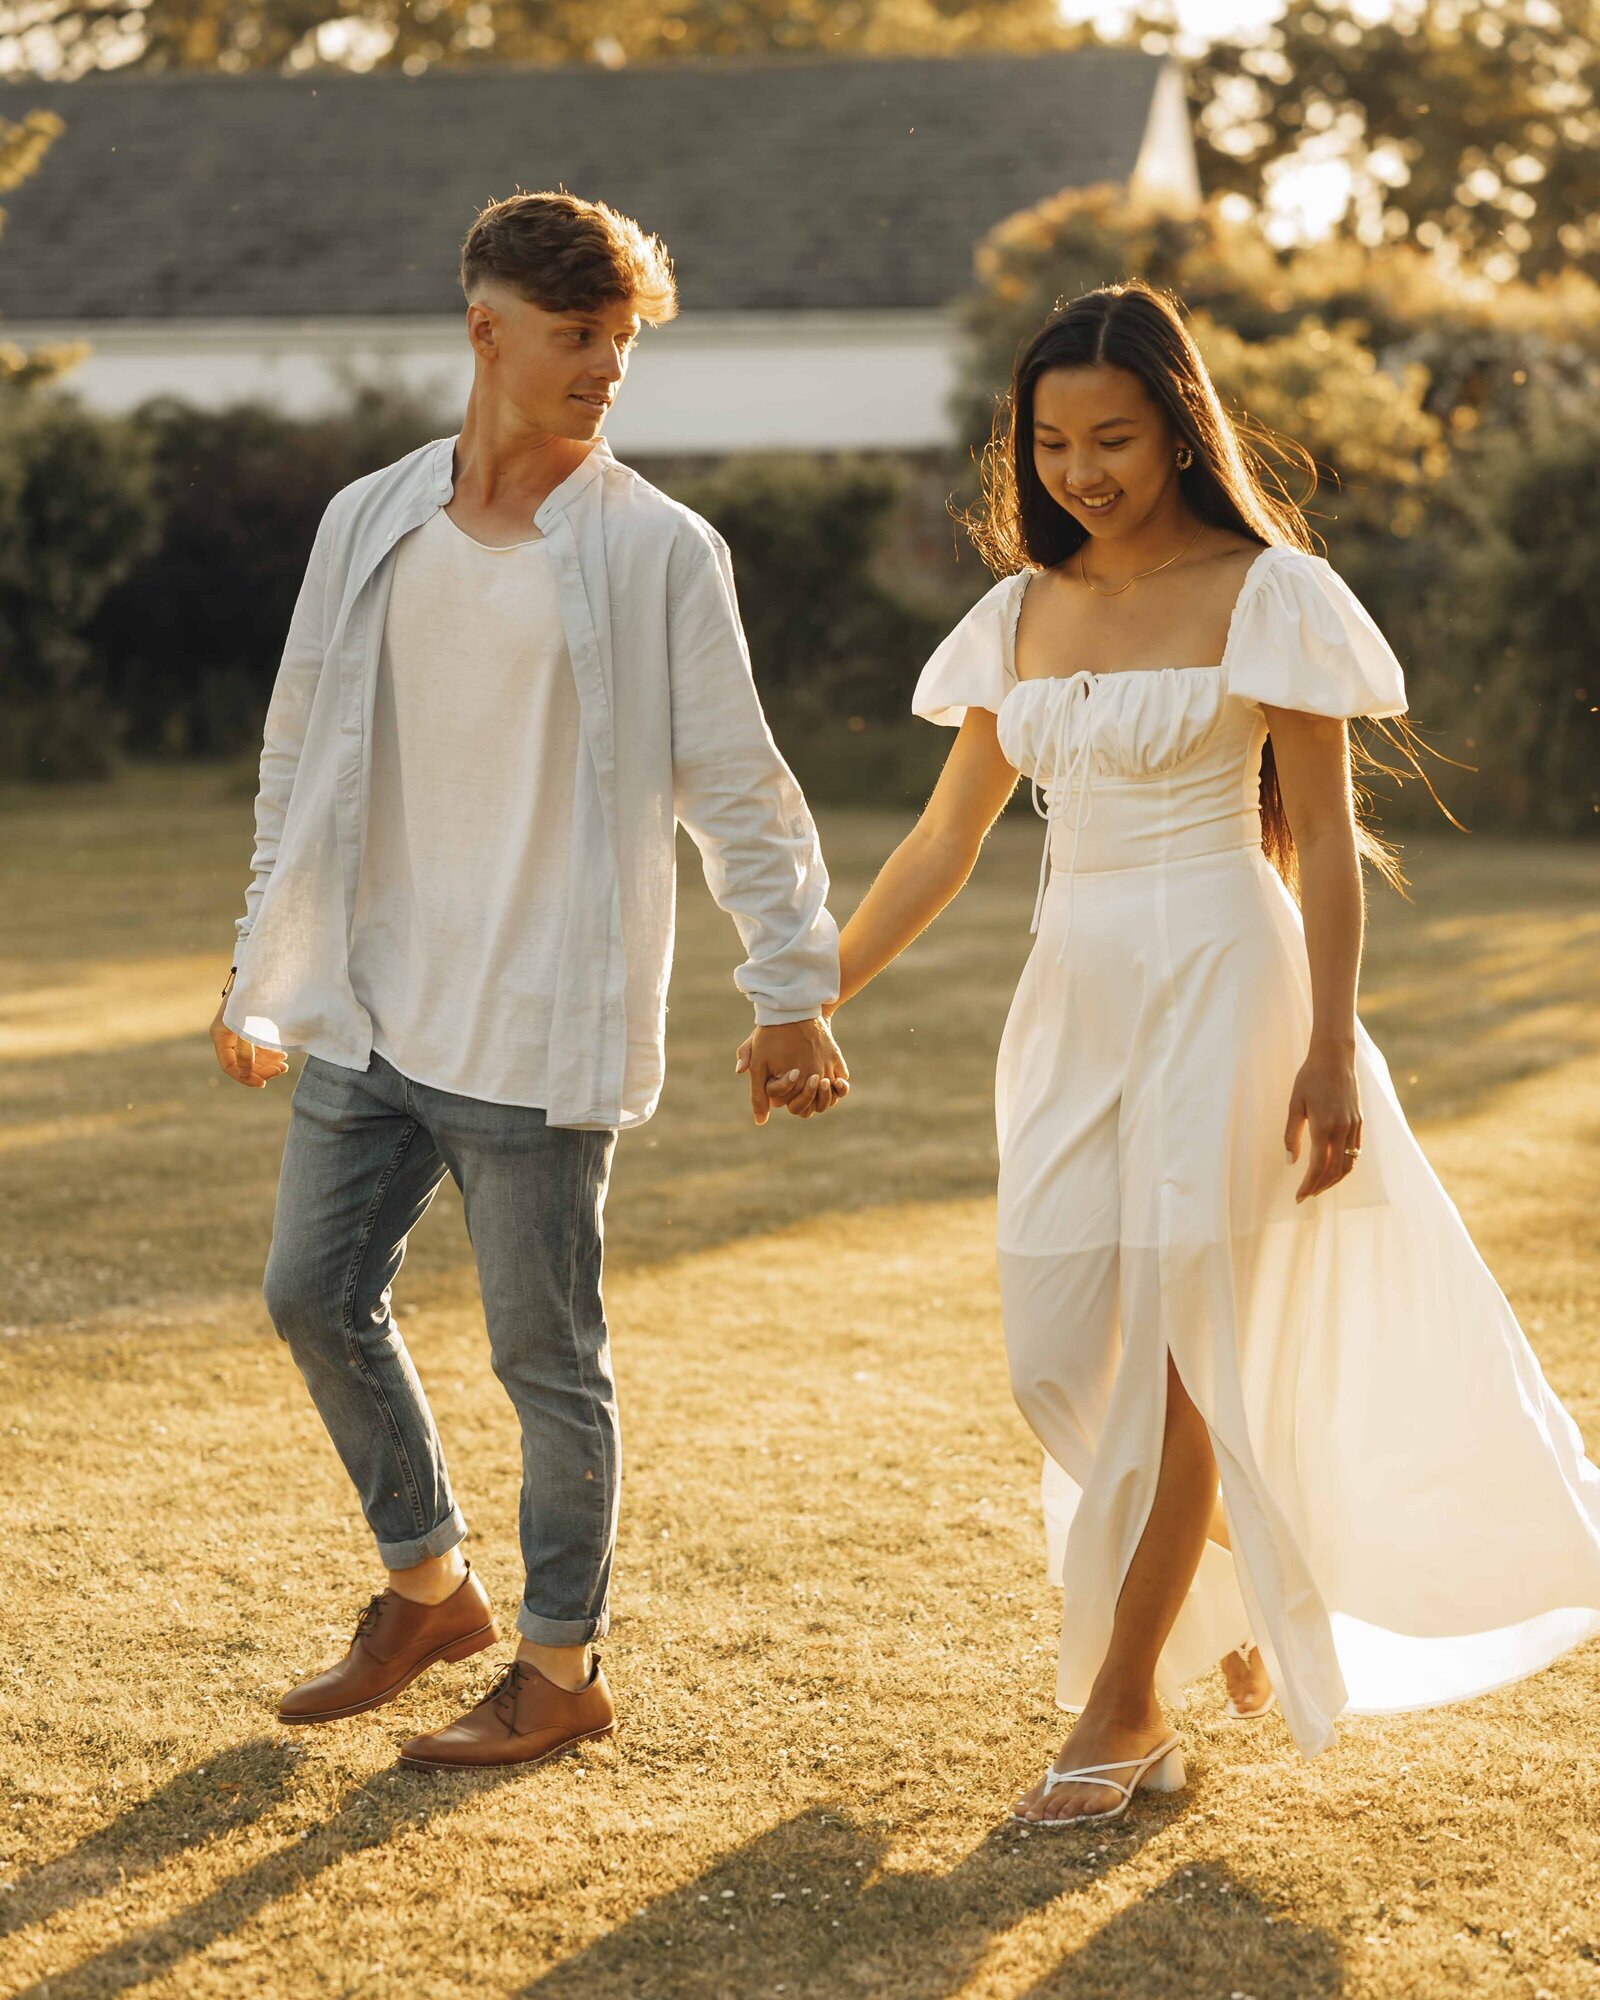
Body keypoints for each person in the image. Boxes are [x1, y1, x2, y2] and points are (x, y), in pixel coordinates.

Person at [751, 281, 1600, 1825]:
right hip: (1072, 995)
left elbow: (1328, 849)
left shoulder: (1268, 591)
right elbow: (946, 841)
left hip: (1231, 975)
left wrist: (1332, 1050)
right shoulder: (1020, 613)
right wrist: (813, 993)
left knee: (1186, 1346)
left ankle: (1124, 1703)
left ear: (1181, 428)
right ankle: (1226, 1568)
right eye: (1055, 442)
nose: (1083, 469)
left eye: (1117, 438)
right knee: (1058, 1346)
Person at [211, 190, 848, 1773]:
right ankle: (430, 1590)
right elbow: (298, 752)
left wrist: (792, 983)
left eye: (622, 341)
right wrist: (260, 974)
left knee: (548, 1366)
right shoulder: (367, 520)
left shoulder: (655, 551)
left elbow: (740, 784)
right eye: (578, 337)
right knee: (310, 1290)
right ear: (488, 329)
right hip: (369, 1004)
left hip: (535, 1025)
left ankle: (561, 1670)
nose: (605, 369)